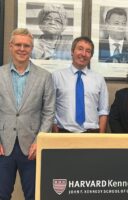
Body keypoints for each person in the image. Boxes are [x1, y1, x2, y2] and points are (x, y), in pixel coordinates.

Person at [0, 28, 55, 200]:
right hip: (3, 146)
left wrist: (40, 140)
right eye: (18, 45)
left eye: (26, 45)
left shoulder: (45, 77)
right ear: (10, 46)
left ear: (31, 48)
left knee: (34, 195)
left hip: (32, 146)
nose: (22, 49)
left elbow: (49, 111)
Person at [52, 36, 109, 133]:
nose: (84, 54)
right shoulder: (57, 76)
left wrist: (101, 137)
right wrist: (55, 132)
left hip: (92, 133)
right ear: (72, 51)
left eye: (88, 51)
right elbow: (51, 108)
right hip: (64, 133)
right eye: (80, 49)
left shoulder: (99, 79)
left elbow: (103, 110)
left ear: (91, 56)